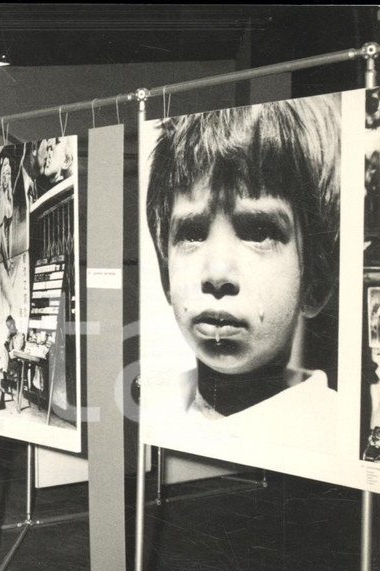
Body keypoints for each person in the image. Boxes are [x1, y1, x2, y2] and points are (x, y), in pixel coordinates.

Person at [145, 95, 340, 441]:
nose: (217, 274)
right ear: (165, 274)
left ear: (316, 279)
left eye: (259, 232)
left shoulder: (332, 433)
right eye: (192, 234)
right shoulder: (151, 410)